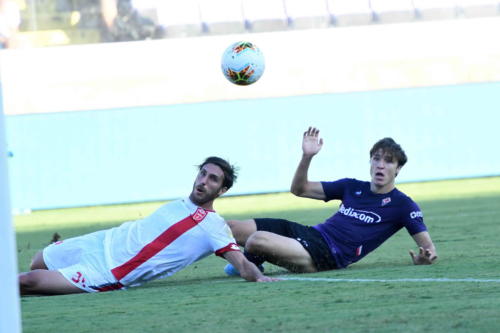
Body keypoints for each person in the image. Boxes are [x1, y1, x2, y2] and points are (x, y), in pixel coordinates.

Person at [19, 156, 277, 296]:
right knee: (37, 261)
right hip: (101, 241)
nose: (203, 181)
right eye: (202, 174)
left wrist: (258, 276)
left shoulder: (214, 227)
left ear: (221, 190)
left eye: (213, 179)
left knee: (29, 281)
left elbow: (242, 265)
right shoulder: (179, 203)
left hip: (108, 271)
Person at [225, 127, 438, 275]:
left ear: (398, 168)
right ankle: (250, 261)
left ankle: (248, 263)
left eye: (389, 161)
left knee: (256, 240)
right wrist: (307, 156)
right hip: (312, 234)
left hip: (327, 256)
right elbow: (299, 189)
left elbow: (428, 247)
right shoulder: (352, 186)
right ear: (370, 161)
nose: (381, 165)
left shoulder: (403, 205)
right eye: (376, 159)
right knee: (230, 228)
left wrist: (426, 258)